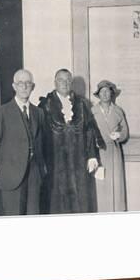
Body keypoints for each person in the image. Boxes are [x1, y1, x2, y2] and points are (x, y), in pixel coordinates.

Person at [38, 69, 106, 214]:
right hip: (55, 164)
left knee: (80, 201)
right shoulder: (45, 106)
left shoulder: (81, 104)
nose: (65, 83)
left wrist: (92, 156)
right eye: (61, 80)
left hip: (78, 163)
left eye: (68, 80)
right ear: (55, 82)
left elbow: (89, 130)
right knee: (56, 202)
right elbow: (40, 136)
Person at [0, 69, 46, 215]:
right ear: (14, 86)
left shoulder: (39, 113)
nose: (24, 87)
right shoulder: (2, 112)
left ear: (33, 86)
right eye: (20, 83)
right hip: (11, 177)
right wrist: (4, 165)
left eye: (28, 83)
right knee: (14, 218)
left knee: (33, 215)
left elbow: (42, 144)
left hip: (34, 177)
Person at [91, 80, 129, 212]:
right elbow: (87, 133)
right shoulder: (92, 112)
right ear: (98, 94)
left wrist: (119, 135)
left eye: (108, 91)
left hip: (114, 152)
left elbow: (125, 132)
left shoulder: (118, 111)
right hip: (99, 152)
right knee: (100, 185)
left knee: (115, 186)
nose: (105, 94)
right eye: (102, 91)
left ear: (112, 94)